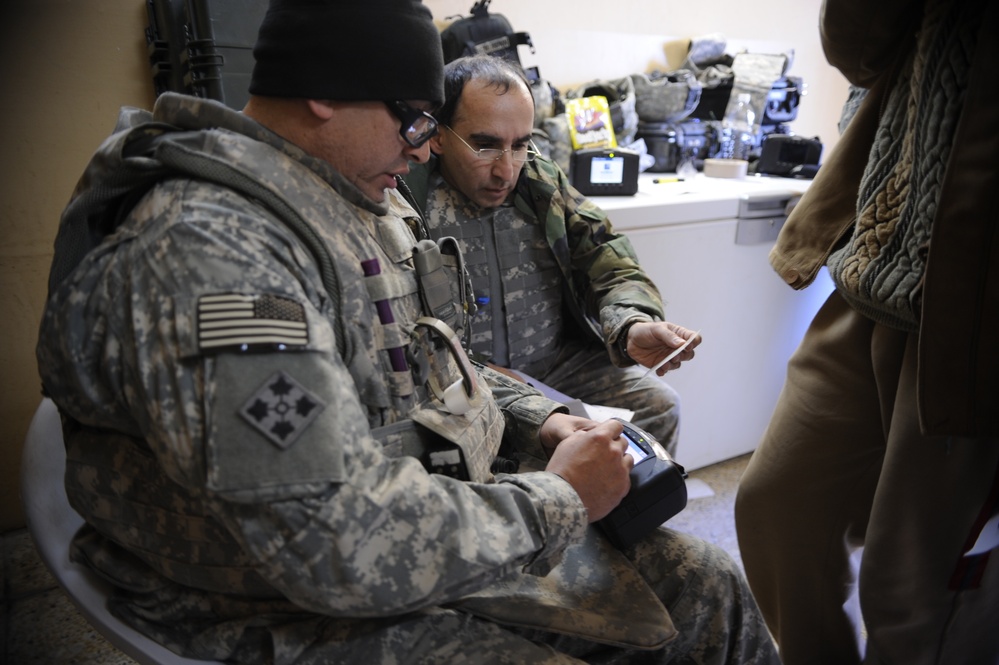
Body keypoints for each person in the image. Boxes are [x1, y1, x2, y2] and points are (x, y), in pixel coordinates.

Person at [36, 0, 779, 662]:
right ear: (324, 92)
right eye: (416, 119)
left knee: (706, 585)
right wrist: (558, 501)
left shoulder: (356, 203)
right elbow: (330, 545)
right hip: (276, 598)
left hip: (415, 515)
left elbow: (435, 360)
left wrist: (540, 418)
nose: (427, 149)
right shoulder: (212, 250)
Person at [735, 0, 999, 662]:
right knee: (779, 510)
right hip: (875, 266)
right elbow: (855, 48)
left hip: (978, 318)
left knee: (914, 593)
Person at [398, 54, 698, 458]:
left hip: (555, 366)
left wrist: (630, 324)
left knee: (659, 407)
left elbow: (606, 256)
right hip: (460, 381)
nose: (507, 170)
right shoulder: (405, 204)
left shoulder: (541, 185)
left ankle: (630, 519)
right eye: (485, 146)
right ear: (438, 136)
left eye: (520, 145)